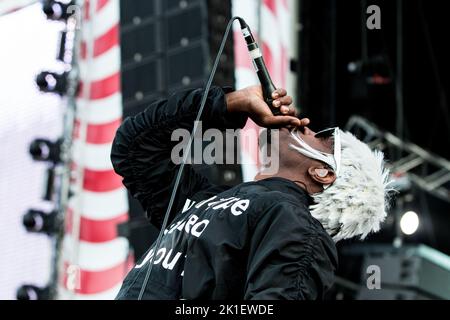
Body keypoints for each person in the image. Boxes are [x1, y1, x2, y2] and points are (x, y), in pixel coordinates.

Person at [111, 85, 392, 300]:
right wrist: (230, 103)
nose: (304, 123)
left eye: (319, 137)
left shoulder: (296, 228)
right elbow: (135, 146)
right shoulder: (206, 201)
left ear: (323, 172)